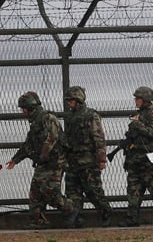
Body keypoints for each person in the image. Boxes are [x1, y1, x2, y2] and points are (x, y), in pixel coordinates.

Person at [6, 91, 79, 229]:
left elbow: (51, 138)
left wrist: (43, 155)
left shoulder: (48, 118)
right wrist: (15, 160)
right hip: (43, 163)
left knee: (50, 191)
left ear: (30, 108)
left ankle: (70, 210)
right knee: (35, 192)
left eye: (24, 109)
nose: (23, 112)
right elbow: (28, 145)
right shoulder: (36, 123)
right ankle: (37, 220)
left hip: (55, 162)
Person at [118, 86, 153, 227]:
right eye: (136, 98)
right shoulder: (140, 114)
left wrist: (137, 124)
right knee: (133, 190)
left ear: (145, 100)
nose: (136, 101)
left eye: (138, 99)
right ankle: (132, 218)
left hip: (150, 157)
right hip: (136, 158)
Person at [63, 86, 113, 228]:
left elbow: (99, 138)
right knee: (72, 191)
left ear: (78, 100)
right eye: (68, 100)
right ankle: (76, 218)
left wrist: (101, 159)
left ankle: (106, 212)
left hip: (88, 161)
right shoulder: (70, 117)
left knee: (93, 191)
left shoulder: (91, 115)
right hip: (73, 160)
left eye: (71, 100)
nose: (68, 103)